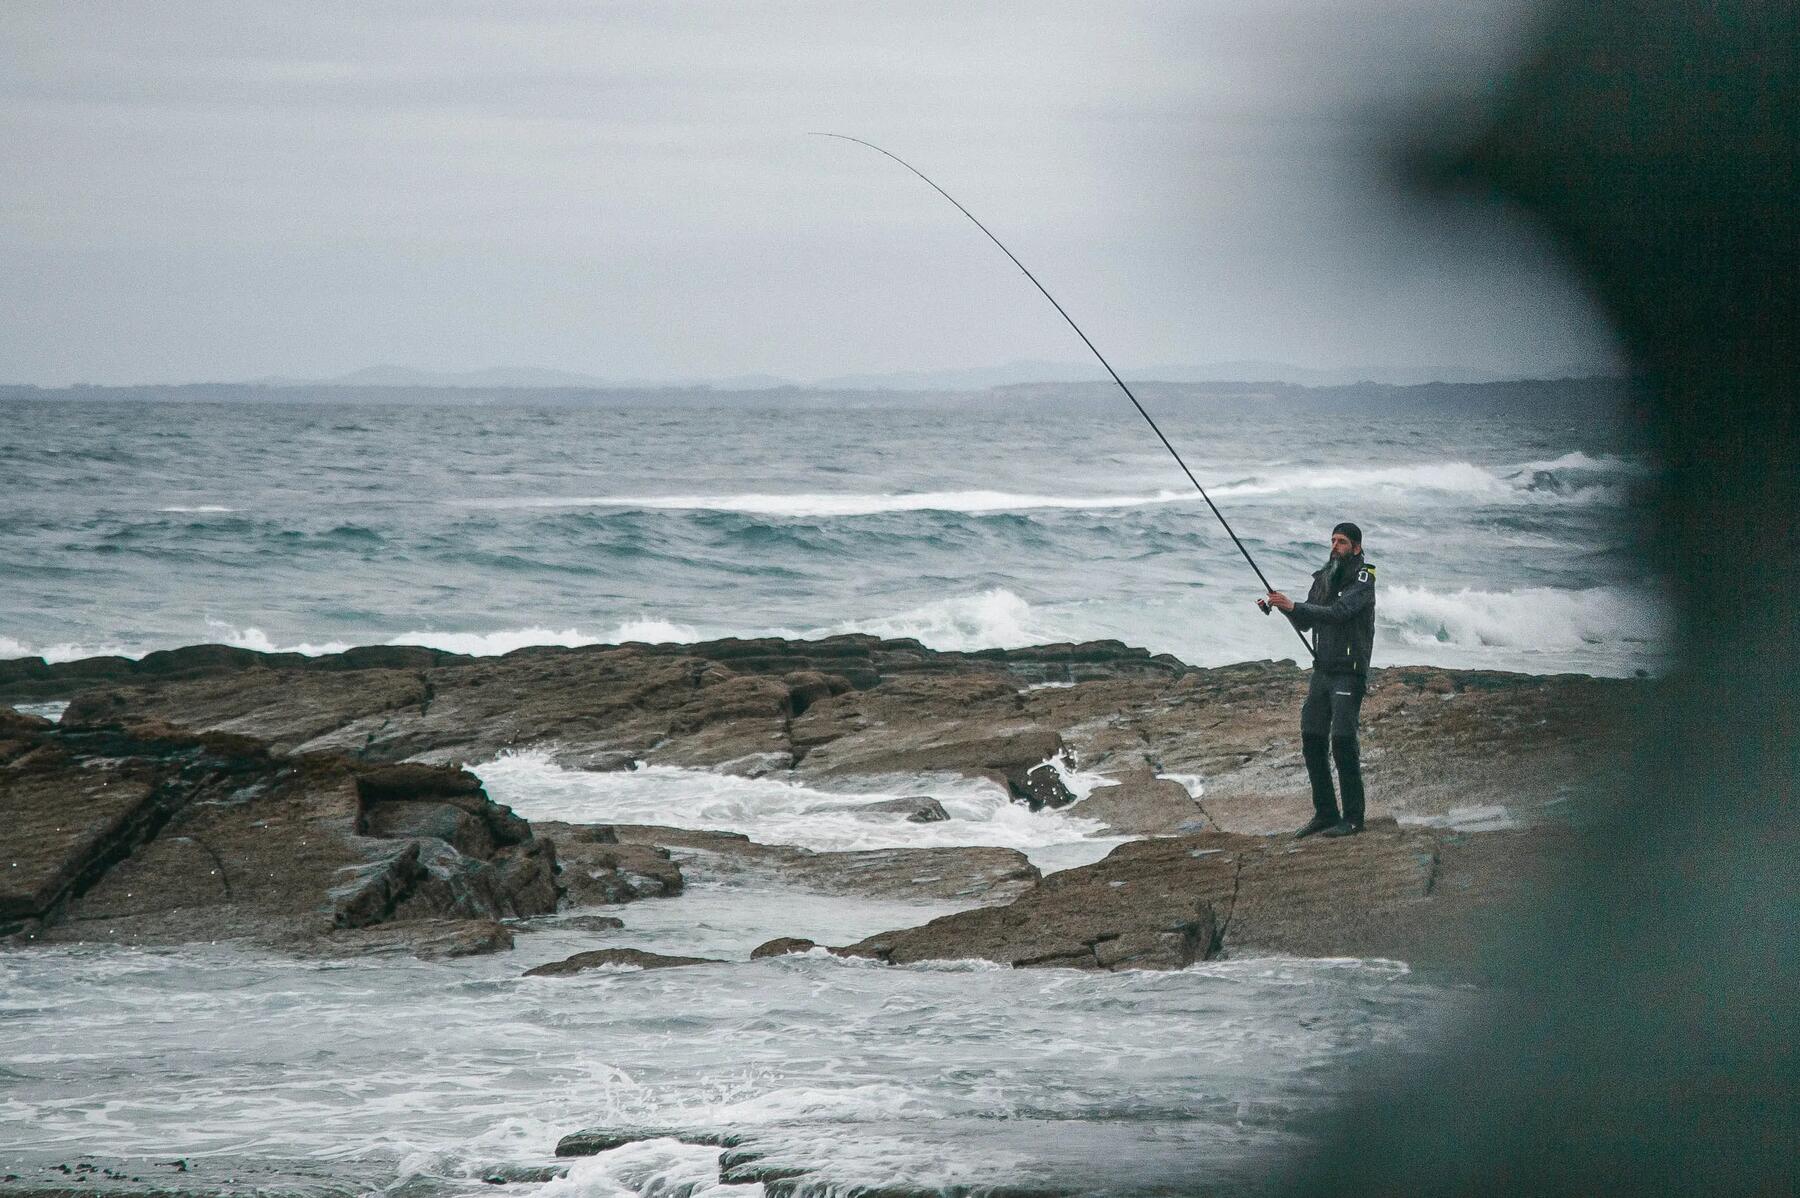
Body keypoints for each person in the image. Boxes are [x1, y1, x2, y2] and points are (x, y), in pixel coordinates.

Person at [1262, 521, 1376, 838]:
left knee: (1342, 742)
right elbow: (1307, 622)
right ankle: (1326, 813)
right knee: (1312, 738)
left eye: (1341, 542)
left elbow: (1340, 612)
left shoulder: (1365, 580)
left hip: (1349, 672)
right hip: (1322, 671)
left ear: (1356, 547)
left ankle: (1354, 818)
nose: (1334, 546)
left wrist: (1296, 606)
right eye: (1332, 540)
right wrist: (1284, 607)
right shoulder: (1323, 578)